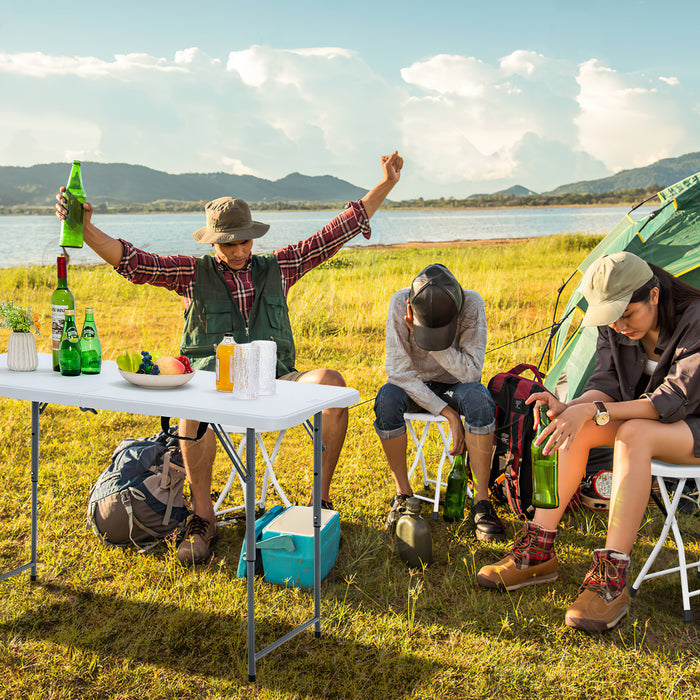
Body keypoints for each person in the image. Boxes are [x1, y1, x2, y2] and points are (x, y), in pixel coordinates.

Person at [56, 151, 403, 564]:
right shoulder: (191, 273)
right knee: (191, 401)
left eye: (244, 240)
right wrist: (85, 226)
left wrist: (386, 184)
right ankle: (203, 518)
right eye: (228, 243)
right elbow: (134, 262)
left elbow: (333, 234)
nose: (238, 250)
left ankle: (318, 504)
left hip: (275, 382)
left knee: (331, 382)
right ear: (213, 241)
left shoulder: (280, 266)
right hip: (211, 389)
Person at [477, 251, 700, 632]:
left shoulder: (695, 318)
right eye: (611, 317)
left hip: (690, 424)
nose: (618, 325)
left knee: (633, 433)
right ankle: (538, 550)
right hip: (647, 422)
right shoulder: (613, 325)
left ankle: (612, 577)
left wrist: (596, 410)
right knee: (571, 424)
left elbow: (672, 400)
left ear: (655, 296)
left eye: (627, 314)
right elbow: (606, 383)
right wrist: (570, 407)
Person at [374, 263, 504, 541]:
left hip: (456, 384)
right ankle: (404, 495)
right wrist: (448, 414)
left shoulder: (471, 304)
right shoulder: (400, 302)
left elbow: (471, 373)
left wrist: (433, 343)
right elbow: (398, 373)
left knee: (480, 399)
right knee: (385, 400)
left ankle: (482, 502)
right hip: (413, 385)